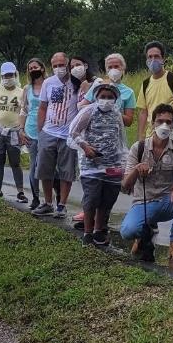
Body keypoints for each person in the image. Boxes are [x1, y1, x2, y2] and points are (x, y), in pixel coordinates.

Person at [120, 104, 173, 261]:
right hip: (143, 203)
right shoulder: (138, 148)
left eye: (168, 122)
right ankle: (142, 236)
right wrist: (136, 170)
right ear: (152, 123)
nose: (164, 126)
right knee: (127, 231)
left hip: (167, 201)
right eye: (160, 121)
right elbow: (125, 185)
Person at [68, 83, 128, 247]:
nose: (106, 100)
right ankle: (87, 233)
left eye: (110, 97)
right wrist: (85, 146)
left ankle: (99, 230)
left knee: (107, 199)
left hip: (112, 165)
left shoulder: (116, 114)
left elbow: (121, 139)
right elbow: (73, 132)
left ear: (115, 99)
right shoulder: (89, 111)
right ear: (96, 97)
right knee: (92, 198)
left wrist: (123, 160)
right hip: (92, 165)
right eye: (103, 97)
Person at [32, 53, 81, 219]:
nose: (59, 68)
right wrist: (40, 131)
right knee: (45, 169)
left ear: (68, 64)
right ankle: (47, 202)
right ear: (51, 66)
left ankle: (62, 205)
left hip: (68, 134)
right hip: (49, 131)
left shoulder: (77, 82)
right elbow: (43, 107)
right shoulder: (48, 82)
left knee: (66, 171)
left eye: (62, 64)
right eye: (55, 65)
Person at [0, 61, 27, 202]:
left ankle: (20, 191)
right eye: (5, 75)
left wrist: (22, 130)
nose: (8, 78)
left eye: (10, 75)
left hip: (14, 132)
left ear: (15, 74)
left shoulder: (22, 93)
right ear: (2, 77)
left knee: (15, 162)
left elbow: (25, 112)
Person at [136, 41, 173, 140]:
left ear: (163, 59)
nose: (153, 60)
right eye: (150, 57)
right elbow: (143, 112)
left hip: (172, 136)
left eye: (156, 56)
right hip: (151, 137)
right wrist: (141, 137)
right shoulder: (145, 84)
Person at [80, 53, 136, 125]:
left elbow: (129, 122)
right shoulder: (98, 87)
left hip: (115, 133)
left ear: (123, 68)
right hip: (95, 131)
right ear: (106, 70)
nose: (113, 70)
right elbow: (82, 107)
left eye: (116, 67)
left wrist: (113, 112)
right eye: (110, 67)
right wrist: (98, 108)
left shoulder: (129, 92)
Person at [19, 58, 46, 209]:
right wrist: (21, 130)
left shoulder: (49, 85)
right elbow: (24, 110)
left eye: (35, 67)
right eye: (30, 68)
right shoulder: (27, 89)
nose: (33, 70)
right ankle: (36, 197)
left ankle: (53, 197)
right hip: (31, 129)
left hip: (47, 129)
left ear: (42, 68)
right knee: (34, 164)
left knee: (48, 165)